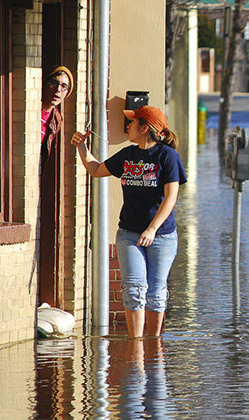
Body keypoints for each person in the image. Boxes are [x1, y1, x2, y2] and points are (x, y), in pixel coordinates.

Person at [71, 105, 187, 338]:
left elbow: (171, 197)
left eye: (132, 123)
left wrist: (152, 229)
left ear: (145, 128)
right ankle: (136, 346)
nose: (128, 127)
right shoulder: (128, 155)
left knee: (155, 292)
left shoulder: (167, 156)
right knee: (134, 289)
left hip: (162, 235)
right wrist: (82, 147)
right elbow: (95, 169)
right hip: (129, 234)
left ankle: (153, 344)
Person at [39, 66, 73, 307]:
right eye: (54, 83)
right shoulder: (32, 109)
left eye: (64, 87)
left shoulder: (56, 119)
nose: (57, 90)